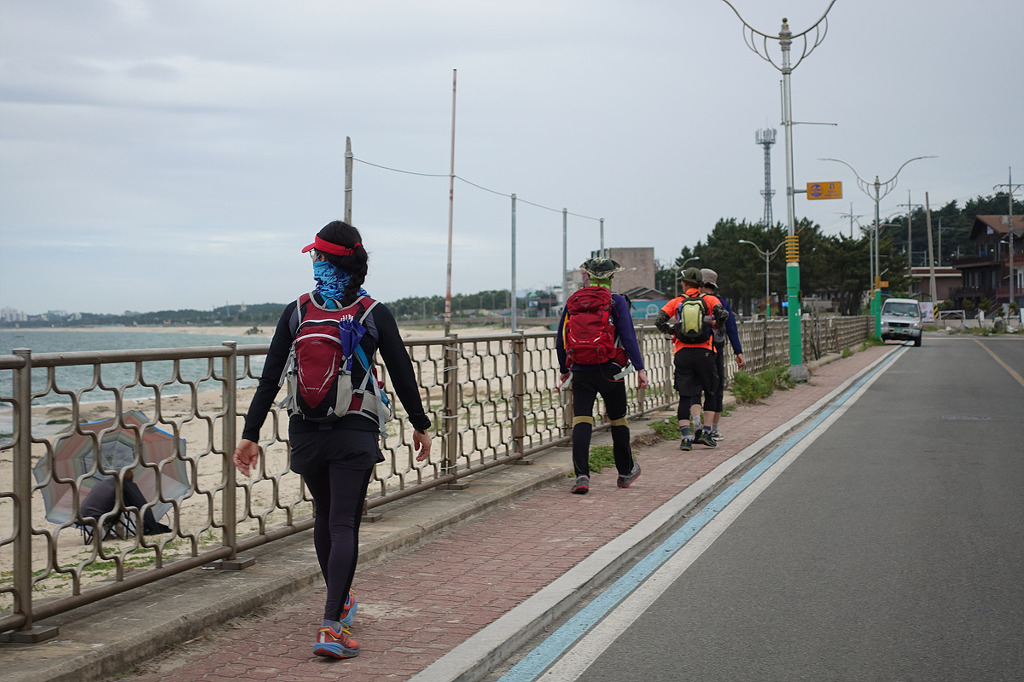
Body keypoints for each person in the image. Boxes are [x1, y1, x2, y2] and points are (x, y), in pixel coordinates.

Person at [233, 220, 432, 661]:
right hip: (354, 431)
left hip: (306, 431)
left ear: (323, 260)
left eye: (315, 255)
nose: (313, 260)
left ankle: (338, 604)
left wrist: (250, 434)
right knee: (343, 523)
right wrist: (421, 425)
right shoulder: (373, 311)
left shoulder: (298, 310)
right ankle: (331, 625)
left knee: (325, 516)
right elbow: (402, 373)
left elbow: (269, 378)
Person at [556, 257, 649, 495]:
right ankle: (625, 472)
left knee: (581, 420)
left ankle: (582, 476)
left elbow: (561, 338)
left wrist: (564, 369)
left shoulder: (574, 300)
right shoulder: (617, 301)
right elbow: (628, 337)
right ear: (611, 276)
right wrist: (640, 368)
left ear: (588, 276)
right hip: (610, 370)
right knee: (618, 419)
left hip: (580, 369)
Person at [655, 267, 727, 451]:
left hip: (683, 352)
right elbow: (723, 315)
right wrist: (714, 325)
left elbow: (659, 321)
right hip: (705, 352)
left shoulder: (676, 301)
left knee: (685, 395)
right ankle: (707, 433)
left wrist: (674, 331)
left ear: (684, 283)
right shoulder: (709, 300)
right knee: (710, 392)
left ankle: (686, 438)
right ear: (700, 284)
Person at [699, 268, 744, 441]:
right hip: (715, 350)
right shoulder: (721, 303)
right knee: (716, 389)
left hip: (693, 350)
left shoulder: (693, 302)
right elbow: (731, 328)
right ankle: (713, 429)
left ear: (701, 284)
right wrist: (738, 351)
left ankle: (695, 427)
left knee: (695, 390)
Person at [79, 470, 173, 538]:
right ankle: (119, 534)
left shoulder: (103, 483)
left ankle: (108, 535)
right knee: (118, 509)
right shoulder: (122, 485)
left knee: (113, 505)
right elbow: (140, 503)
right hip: (99, 517)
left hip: (81, 516)